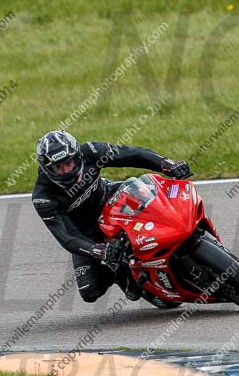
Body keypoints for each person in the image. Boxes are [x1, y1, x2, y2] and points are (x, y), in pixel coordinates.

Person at [32, 130, 192, 307]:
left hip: (110, 197)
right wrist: (98, 250)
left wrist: (167, 165)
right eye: (58, 167)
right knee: (89, 291)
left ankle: (183, 224)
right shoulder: (43, 196)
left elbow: (132, 155)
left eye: (69, 163)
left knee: (149, 191)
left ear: (77, 156)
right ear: (47, 169)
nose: (66, 170)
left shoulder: (90, 151)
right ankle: (123, 274)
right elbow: (66, 237)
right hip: (86, 232)